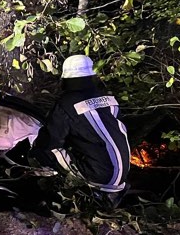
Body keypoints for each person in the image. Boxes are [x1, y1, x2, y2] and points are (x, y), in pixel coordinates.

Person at [30, 55, 130, 193]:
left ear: (66, 78)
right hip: (121, 173)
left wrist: (35, 151)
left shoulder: (67, 104)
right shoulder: (108, 99)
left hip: (99, 176)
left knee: (46, 150)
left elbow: (50, 141)